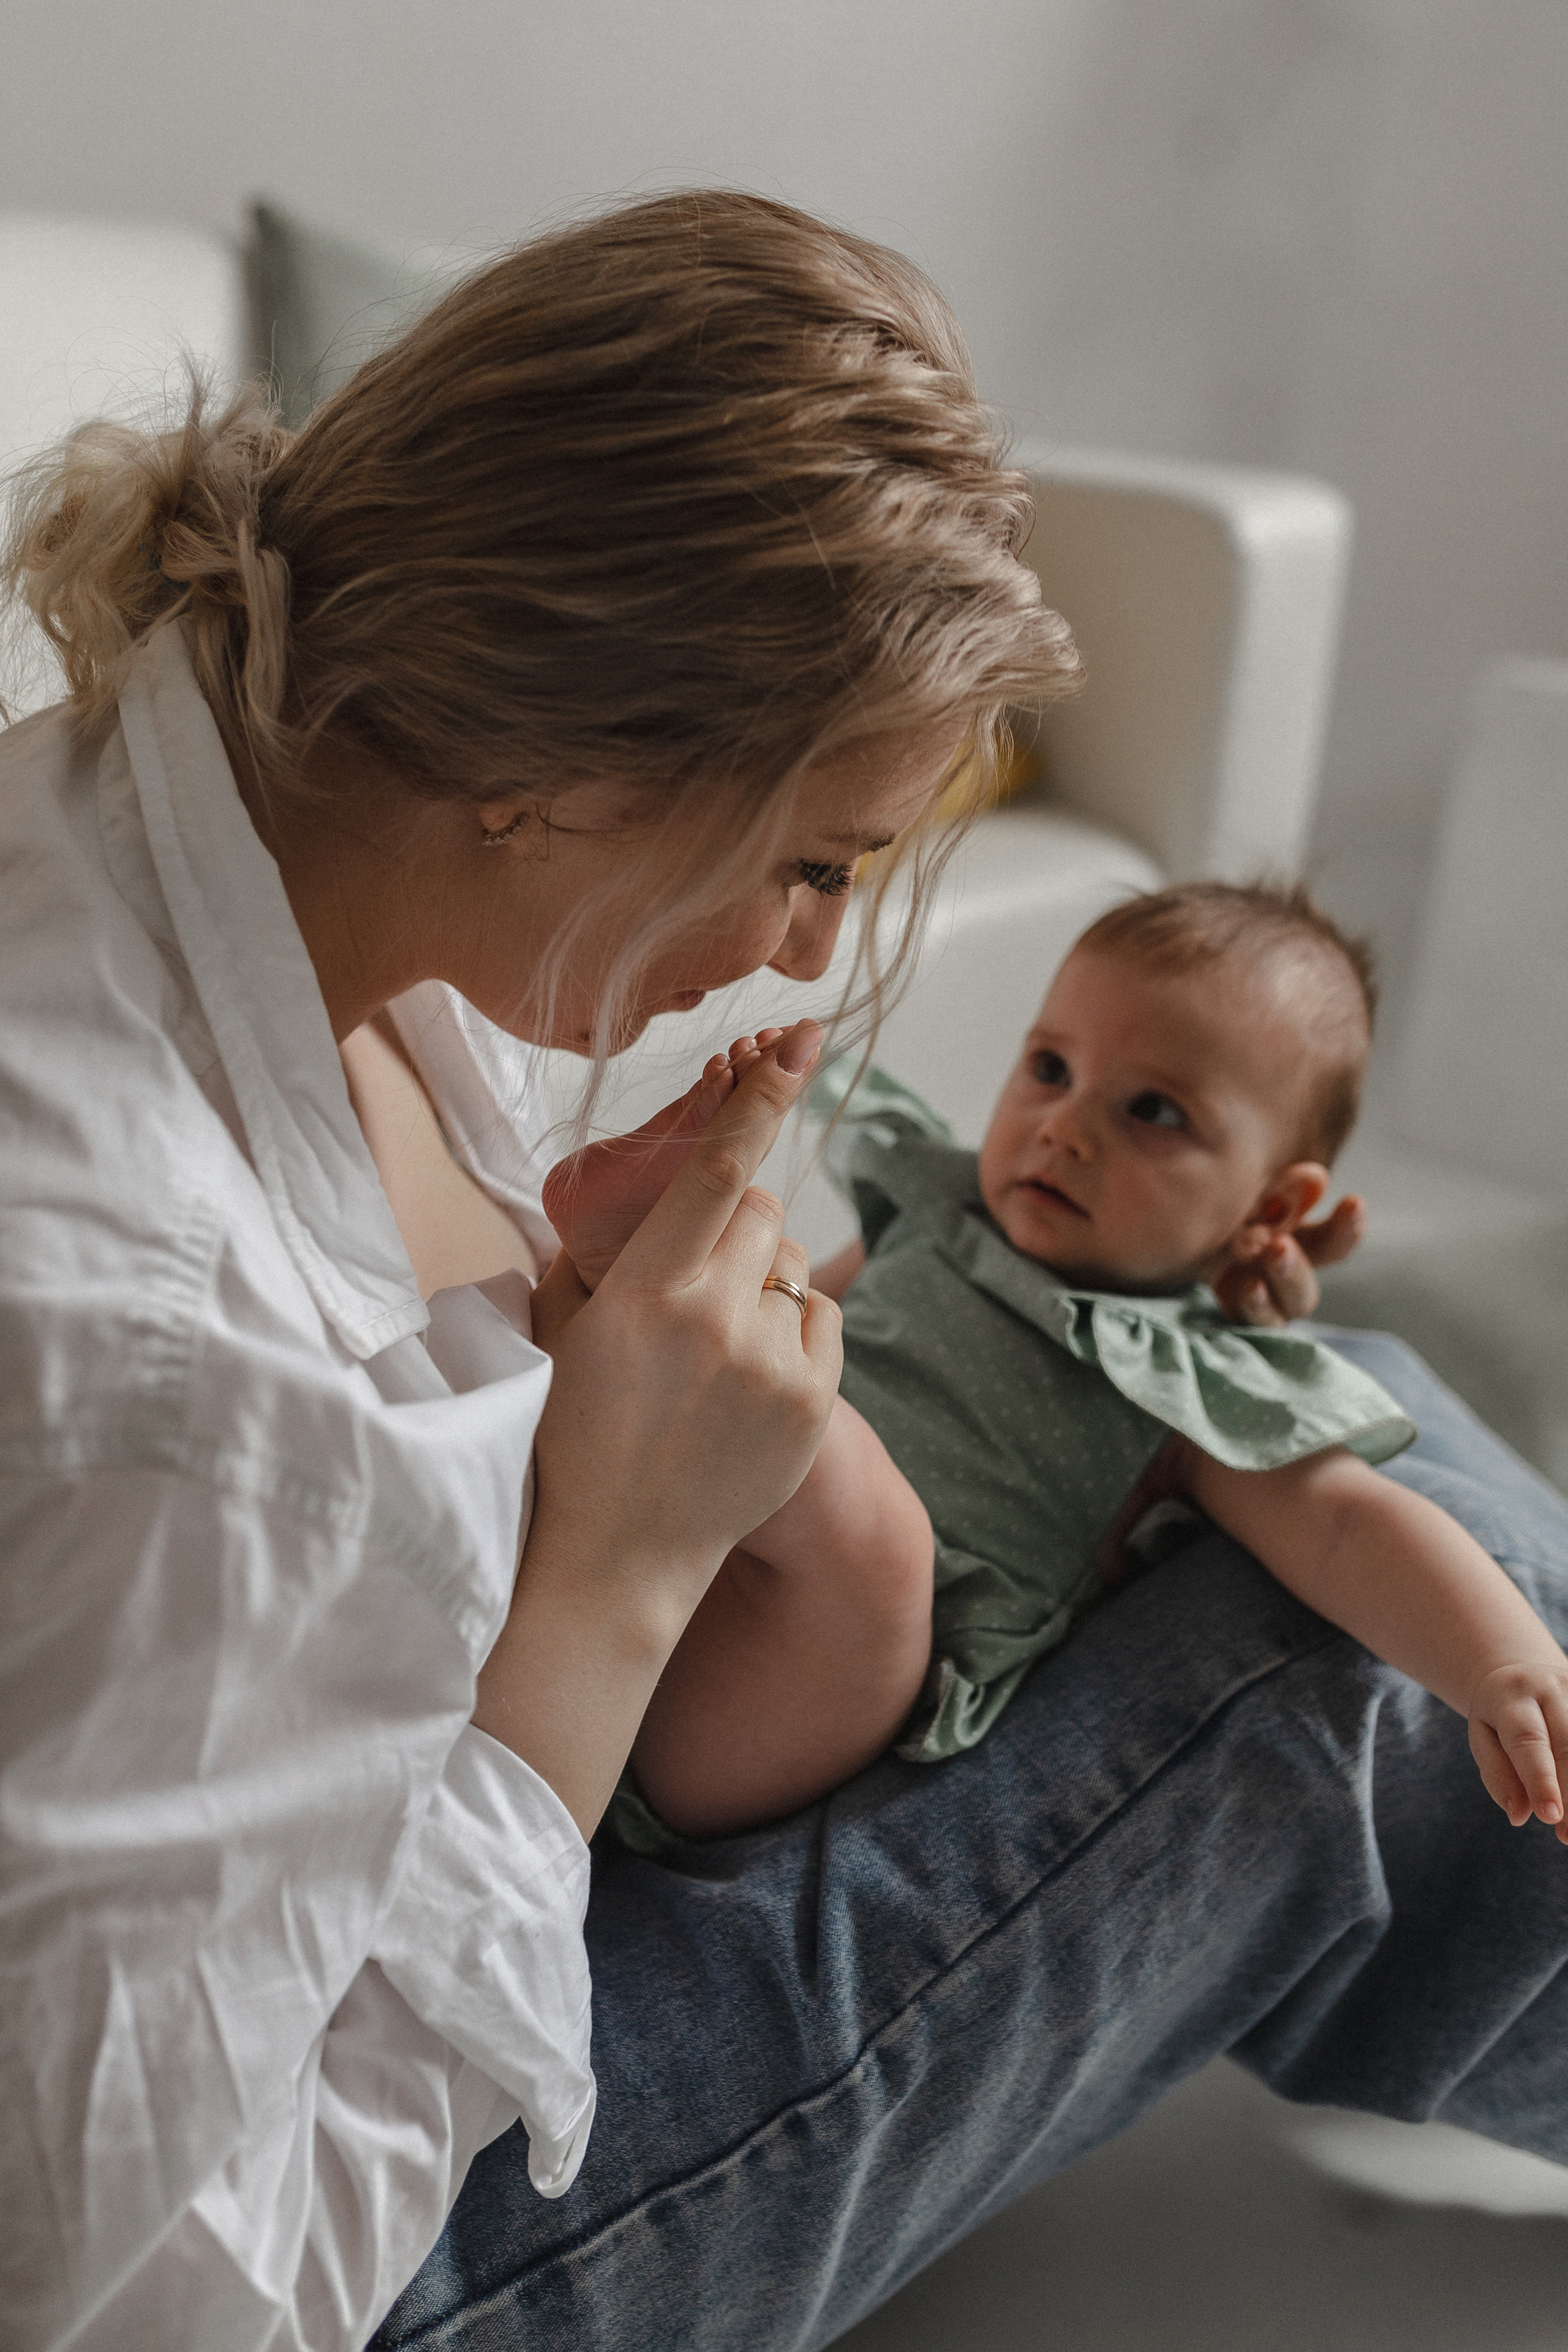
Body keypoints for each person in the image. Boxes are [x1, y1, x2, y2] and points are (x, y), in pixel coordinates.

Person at [0, 191, 1555, 2352]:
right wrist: (616, 1583)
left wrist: (571, 1286)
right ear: (561, 762)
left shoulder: (214, 844)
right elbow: (160, 2305)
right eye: (818, 863)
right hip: (349, 2267)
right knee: (1336, 1679)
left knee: (1328, 1439)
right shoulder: (160, 1363)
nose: (815, 955)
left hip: (386, 1926)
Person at [541, 883, 1568, 1853]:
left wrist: (1505, 1660)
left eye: (1153, 1113)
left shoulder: (1182, 1383)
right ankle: (637, 1282)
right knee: (761, 1331)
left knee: (871, 1527)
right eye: (1050, 1069)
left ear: (1269, 1211)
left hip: (782, 1692)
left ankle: (651, 1269)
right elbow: (817, 1321)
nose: (1062, 1128)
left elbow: (1350, 1525)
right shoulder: (938, 1210)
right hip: (637, 1561)